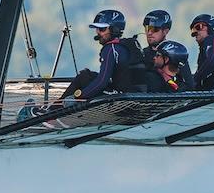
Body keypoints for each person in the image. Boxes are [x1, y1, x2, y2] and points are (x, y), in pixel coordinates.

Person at [17, 8, 147, 121]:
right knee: (85, 76)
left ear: (114, 29)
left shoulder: (110, 49)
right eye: (97, 29)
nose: (98, 33)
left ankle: (48, 113)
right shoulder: (127, 45)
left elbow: (102, 82)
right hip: (133, 96)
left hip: (121, 99)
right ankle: (52, 109)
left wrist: (77, 96)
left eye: (102, 29)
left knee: (83, 78)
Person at [142, 9, 194, 90]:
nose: (149, 33)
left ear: (165, 31)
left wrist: (173, 88)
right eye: (147, 28)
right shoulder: (142, 54)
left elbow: (189, 84)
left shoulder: (176, 53)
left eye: (154, 29)